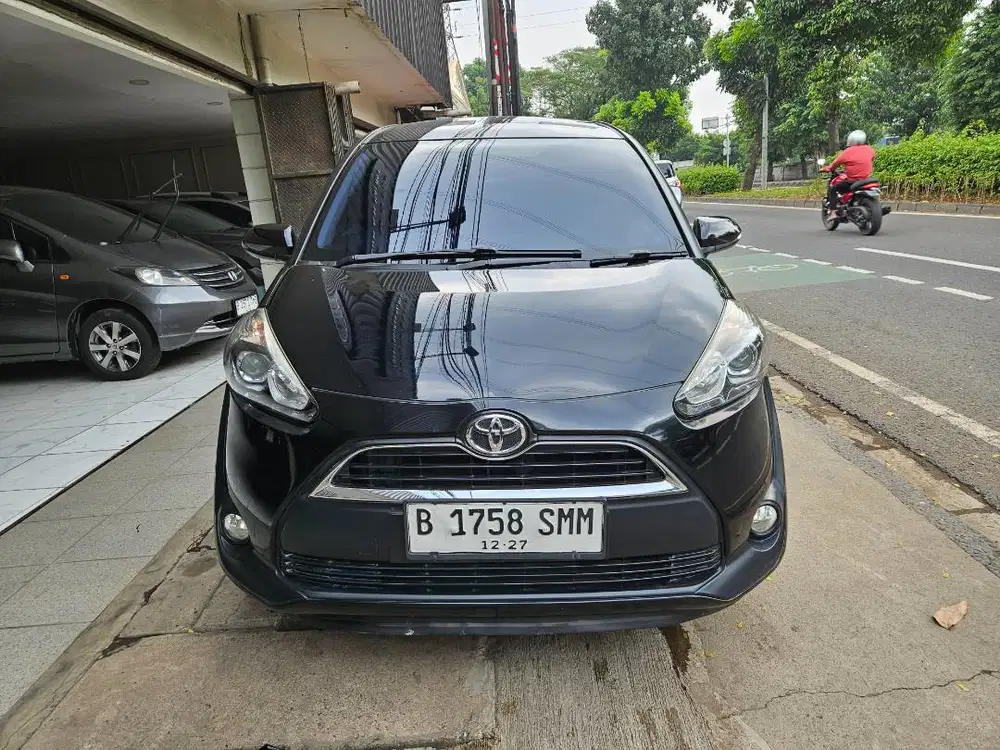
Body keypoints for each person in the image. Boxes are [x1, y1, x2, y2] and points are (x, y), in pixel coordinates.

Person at [820, 130, 876, 219]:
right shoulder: (870, 150)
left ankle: (833, 213)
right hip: (867, 180)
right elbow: (871, 159)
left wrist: (828, 168)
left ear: (851, 140)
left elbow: (835, 164)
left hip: (853, 181)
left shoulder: (847, 152)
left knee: (833, 189)